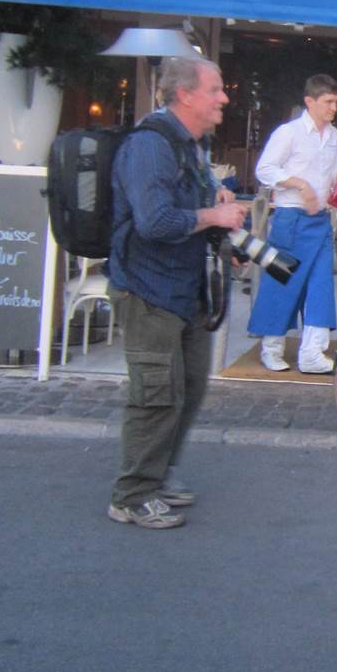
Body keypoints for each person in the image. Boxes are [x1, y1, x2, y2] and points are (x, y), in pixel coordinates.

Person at [107, 57, 247, 529]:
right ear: (185, 95)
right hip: (149, 290)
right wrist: (212, 218)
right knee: (156, 395)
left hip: (185, 289)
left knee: (187, 389)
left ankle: (157, 475)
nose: (224, 97)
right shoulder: (150, 145)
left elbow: (185, 210)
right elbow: (154, 221)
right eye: (216, 89)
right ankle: (131, 495)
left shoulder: (190, 145)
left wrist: (216, 210)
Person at [248, 74, 337, 375]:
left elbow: (331, 175)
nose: (334, 108)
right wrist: (299, 185)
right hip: (290, 217)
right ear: (310, 102)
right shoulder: (288, 132)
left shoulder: (333, 135)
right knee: (283, 282)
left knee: (321, 284)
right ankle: (271, 348)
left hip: (319, 218)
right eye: (328, 102)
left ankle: (312, 352)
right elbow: (264, 169)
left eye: (336, 102)